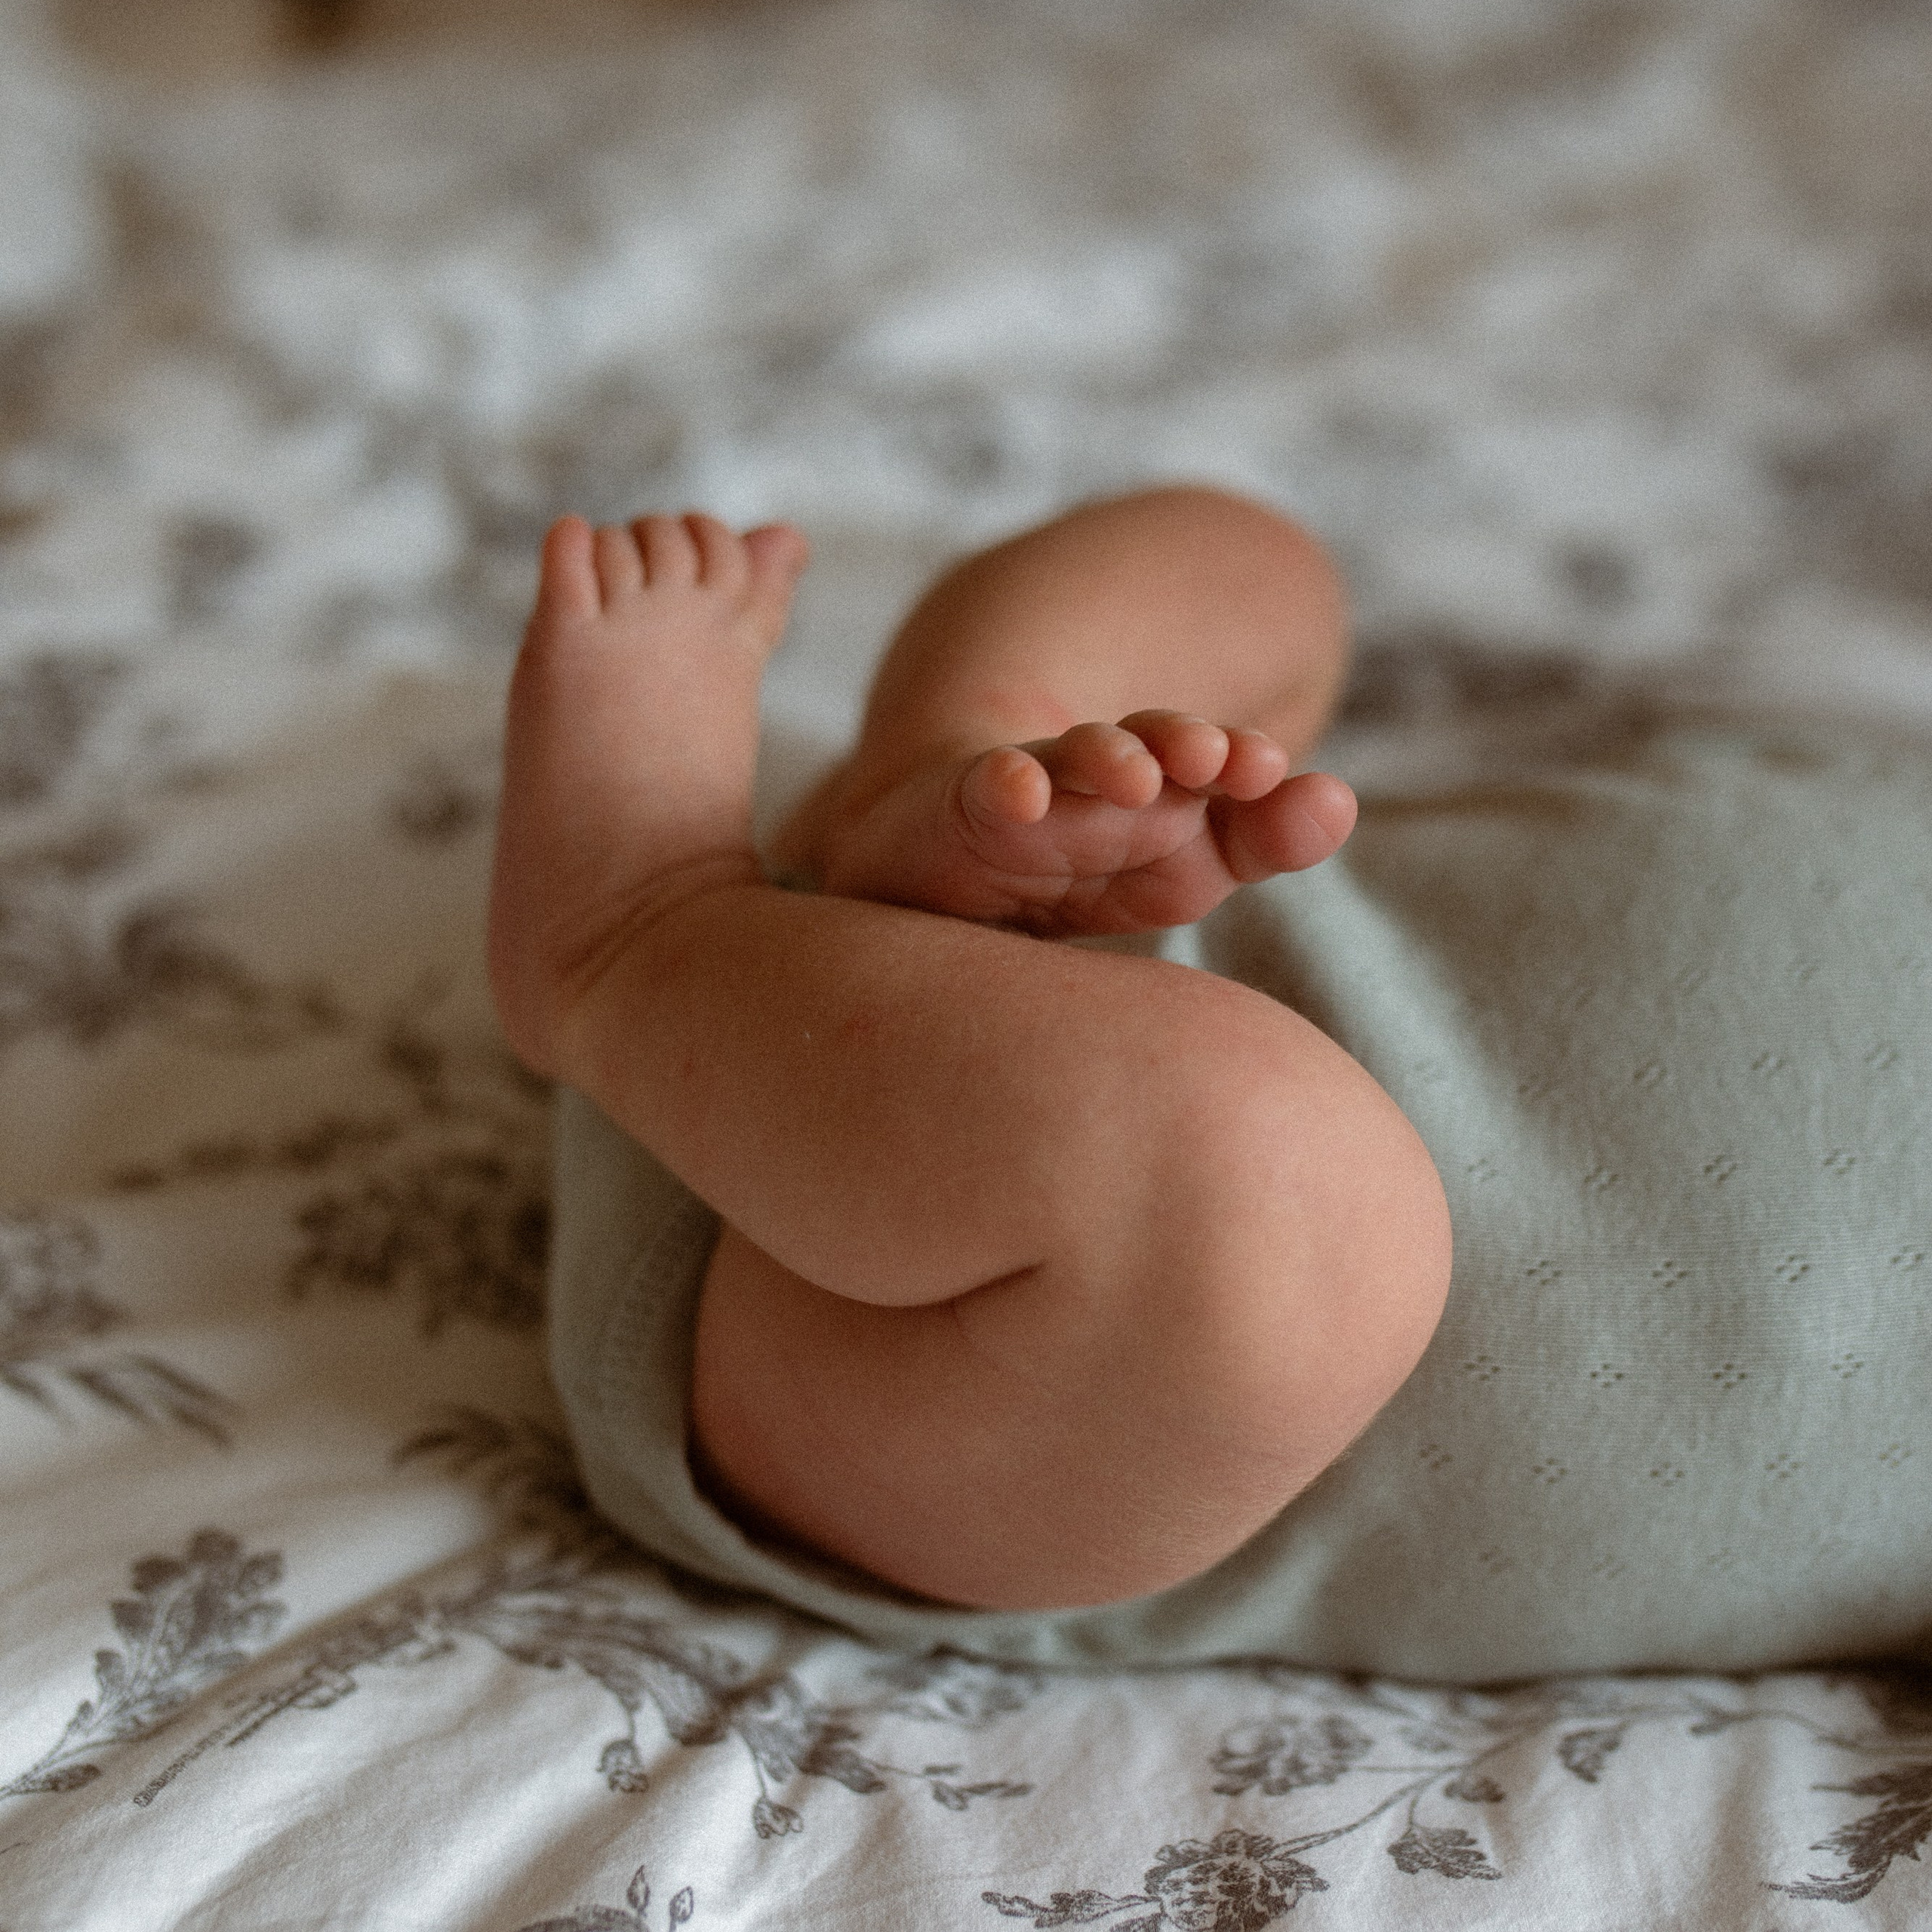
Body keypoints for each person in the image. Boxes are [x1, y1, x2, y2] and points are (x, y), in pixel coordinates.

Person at [491, 488, 1932, 1681]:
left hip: (967, 1391)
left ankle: (624, 933)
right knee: (1250, 570)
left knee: (1277, 1200)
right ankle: (939, 769)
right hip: (982, 931)